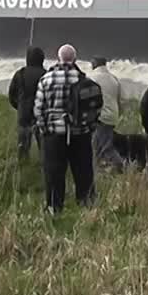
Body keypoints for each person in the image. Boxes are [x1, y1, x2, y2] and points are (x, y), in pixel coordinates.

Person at [33, 44, 96, 212]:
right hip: (80, 133)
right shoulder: (84, 80)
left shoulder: (46, 79)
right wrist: (89, 128)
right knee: (83, 172)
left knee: (54, 173)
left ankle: (54, 207)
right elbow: (94, 108)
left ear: (58, 58)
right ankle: (86, 204)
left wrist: (44, 129)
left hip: (54, 134)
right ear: (75, 59)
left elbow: (38, 110)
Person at [7, 47, 46, 162]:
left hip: (23, 113)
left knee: (23, 145)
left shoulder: (20, 73)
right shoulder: (46, 74)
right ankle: (44, 165)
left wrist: (19, 106)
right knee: (43, 145)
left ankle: (23, 165)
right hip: (41, 114)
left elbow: (11, 94)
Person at [87, 57, 125, 171]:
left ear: (95, 64)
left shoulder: (92, 78)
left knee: (104, 147)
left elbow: (89, 99)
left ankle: (120, 165)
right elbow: (120, 100)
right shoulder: (114, 79)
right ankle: (98, 170)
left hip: (100, 117)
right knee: (98, 145)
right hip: (112, 116)